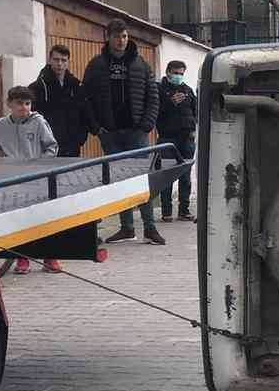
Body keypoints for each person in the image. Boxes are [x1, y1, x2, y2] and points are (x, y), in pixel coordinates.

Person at [83, 19, 165, 246]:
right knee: (119, 182)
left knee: (142, 179)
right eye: (117, 36)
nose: (121, 40)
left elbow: (153, 96)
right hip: (110, 133)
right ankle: (126, 228)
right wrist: (96, 128)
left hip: (136, 133)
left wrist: (147, 124)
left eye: (125, 36)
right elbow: (86, 98)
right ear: (108, 37)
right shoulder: (97, 65)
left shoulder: (140, 64)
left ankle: (150, 227)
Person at [0, 87, 62, 274]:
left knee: (42, 217)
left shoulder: (39, 122)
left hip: (36, 179)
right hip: (11, 179)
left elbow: (52, 146)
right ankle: (22, 258)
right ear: (9, 104)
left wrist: (40, 165)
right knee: (18, 219)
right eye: (19, 103)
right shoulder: (1, 124)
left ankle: (50, 256)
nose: (24, 107)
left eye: (27, 103)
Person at [30, 44, 93, 158]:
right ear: (49, 60)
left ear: (68, 62)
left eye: (63, 60)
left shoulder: (76, 85)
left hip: (72, 146)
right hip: (47, 146)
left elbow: (85, 112)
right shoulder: (38, 87)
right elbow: (32, 116)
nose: (59, 64)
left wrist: (80, 138)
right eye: (56, 59)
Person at [155, 59, 198, 222]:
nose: (178, 76)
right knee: (167, 175)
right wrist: (170, 102)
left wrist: (193, 128)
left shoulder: (187, 90)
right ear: (168, 72)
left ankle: (184, 210)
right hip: (167, 138)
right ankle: (166, 212)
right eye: (175, 73)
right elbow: (155, 111)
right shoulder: (159, 89)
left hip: (186, 139)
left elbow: (196, 111)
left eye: (181, 73)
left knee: (185, 175)